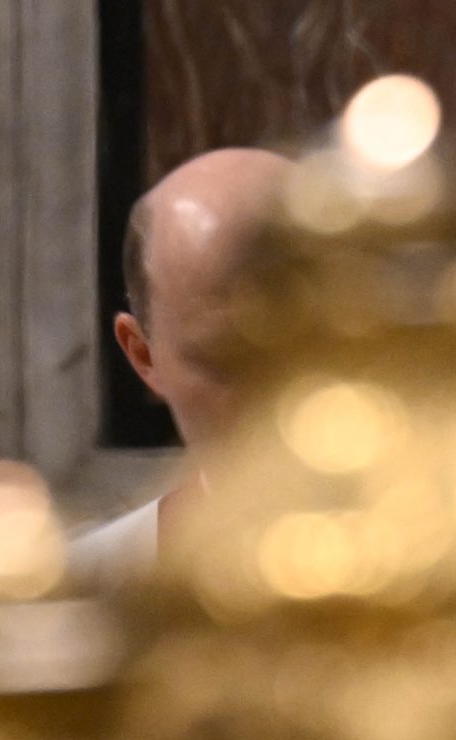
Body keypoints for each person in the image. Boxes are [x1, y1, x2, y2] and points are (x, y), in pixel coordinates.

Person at [67, 147, 293, 587]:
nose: (280, 396)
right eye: (229, 361)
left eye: (312, 348)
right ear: (143, 356)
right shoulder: (79, 604)